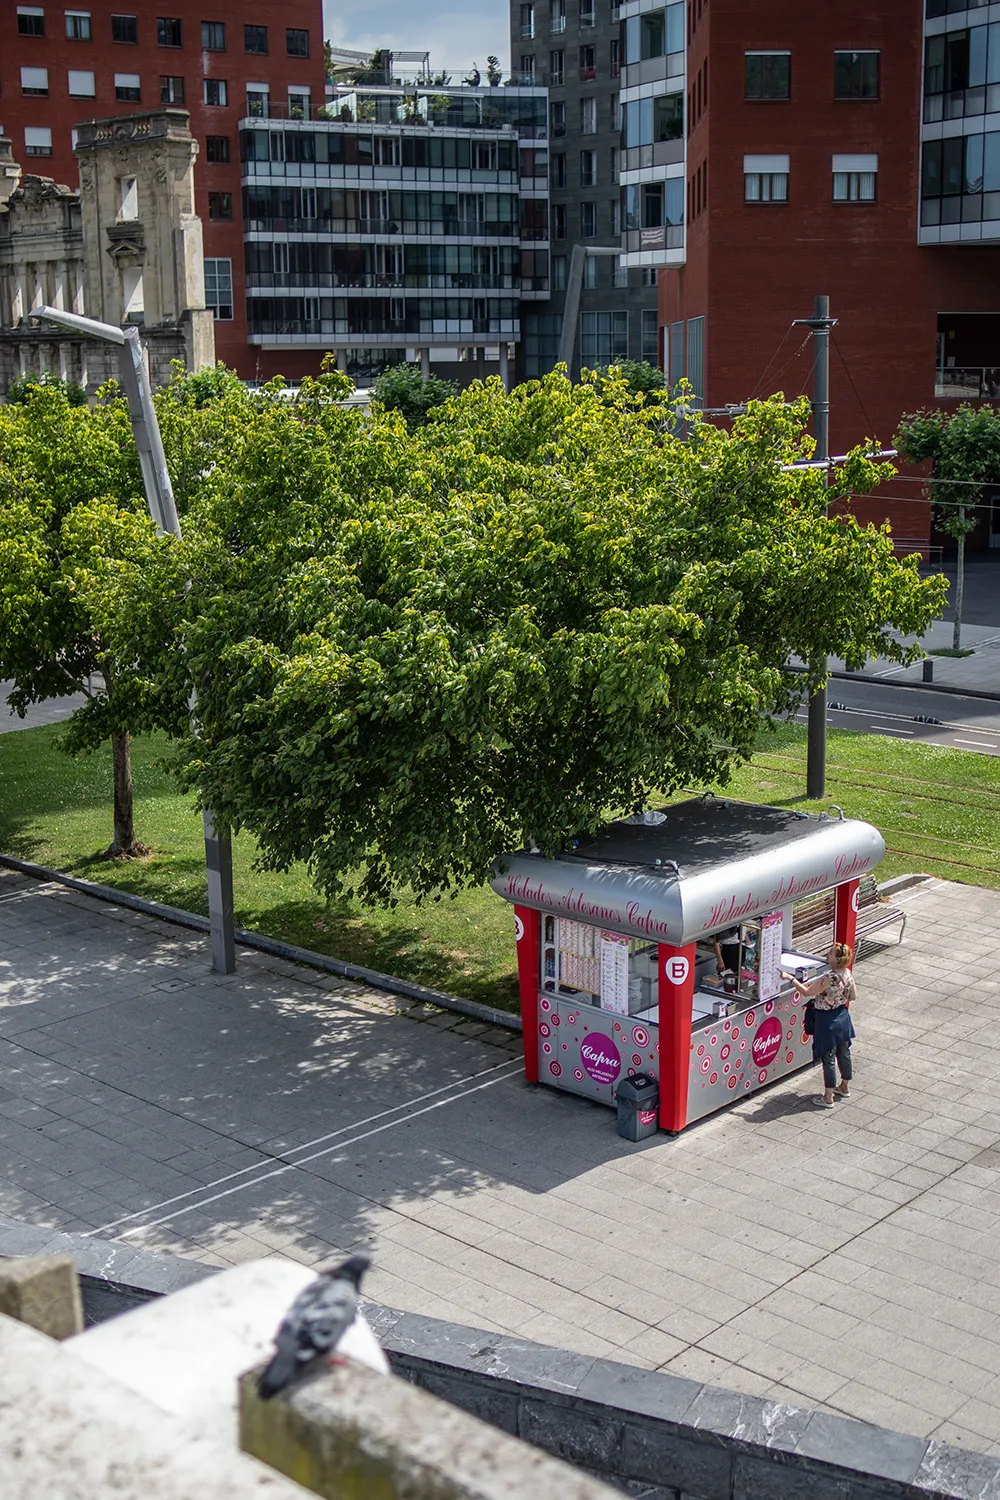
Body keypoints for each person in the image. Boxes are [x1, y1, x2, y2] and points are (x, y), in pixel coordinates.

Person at [781, 942, 856, 1109]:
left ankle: (828, 1097)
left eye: (830, 953)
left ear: (837, 959)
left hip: (826, 1020)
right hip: (842, 1017)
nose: (827, 954)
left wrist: (791, 979)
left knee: (828, 1057)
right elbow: (853, 996)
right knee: (844, 1051)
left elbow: (807, 992)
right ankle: (844, 1086)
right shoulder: (848, 974)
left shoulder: (829, 978)